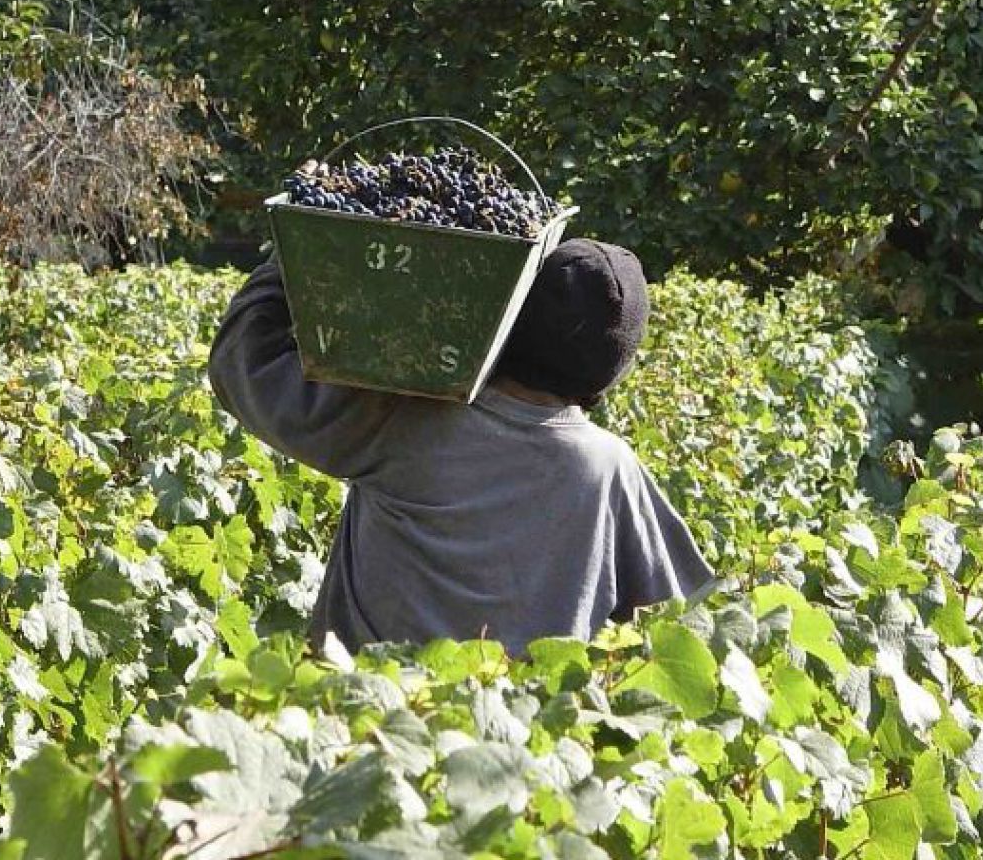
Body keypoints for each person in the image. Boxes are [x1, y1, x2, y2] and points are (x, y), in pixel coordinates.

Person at [207, 238, 713, 657]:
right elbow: (683, 620)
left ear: (508, 322)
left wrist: (291, 256)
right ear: (611, 372)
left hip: (367, 735)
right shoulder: (609, 469)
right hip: (519, 756)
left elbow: (242, 366)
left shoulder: (410, 415)